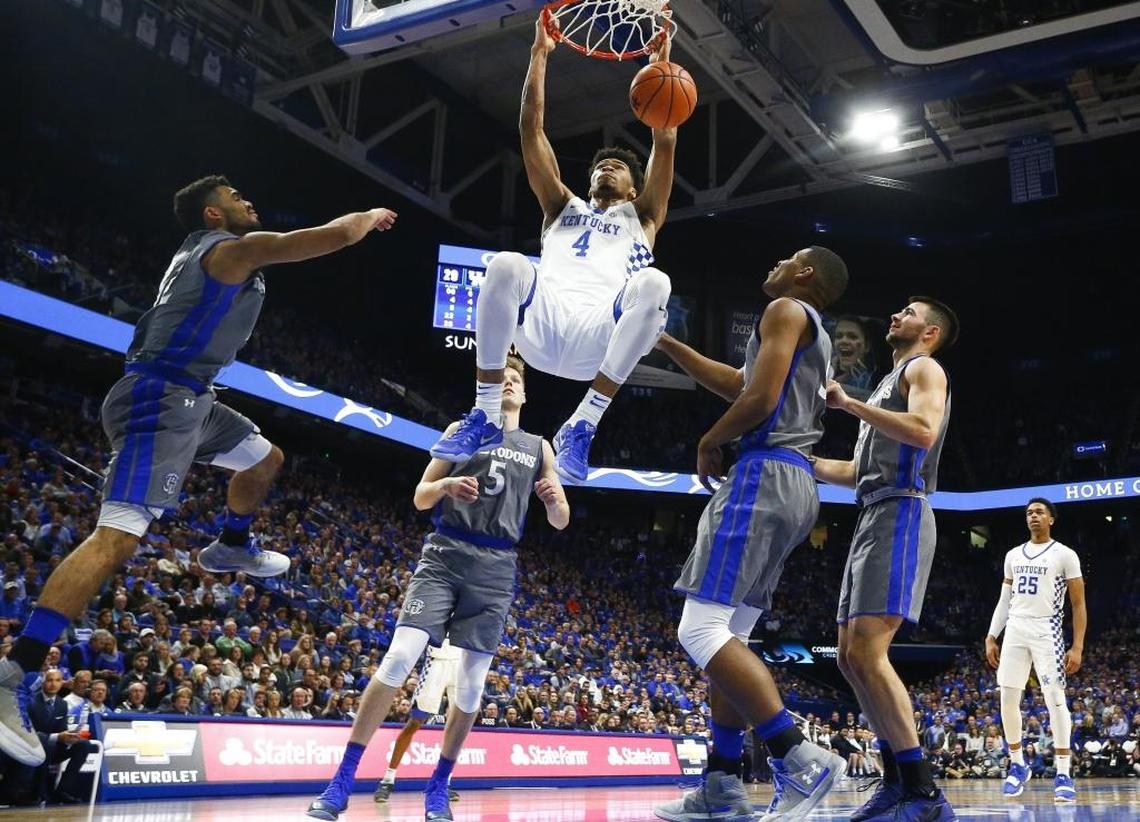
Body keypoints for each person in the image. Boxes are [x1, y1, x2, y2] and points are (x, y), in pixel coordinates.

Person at [0, 176, 398, 766]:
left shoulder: (201, 254)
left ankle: (232, 545)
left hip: (194, 398)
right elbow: (329, 238)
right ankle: (15, 674)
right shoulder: (227, 249)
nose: (249, 199)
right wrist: (366, 215)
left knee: (264, 459)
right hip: (160, 400)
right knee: (118, 536)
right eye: (238, 195)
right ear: (215, 213)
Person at [307, 357, 568, 821]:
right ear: (484, 388)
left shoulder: (539, 447)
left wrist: (554, 500)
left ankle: (438, 786)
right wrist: (445, 483)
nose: (508, 381)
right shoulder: (460, 429)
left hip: (496, 566)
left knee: (470, 684)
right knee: (400, 655)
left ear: (524, 394)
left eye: (517, 379)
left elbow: (561, 518)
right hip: (445, 555)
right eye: (500, 377)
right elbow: (420, 495)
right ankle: (342, 780)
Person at [429, 16, 678, 484]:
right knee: (505, 263)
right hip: (540, 326)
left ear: (632, 190)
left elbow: (664, 137)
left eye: (617, 168)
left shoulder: (642, 217)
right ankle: (483, 414)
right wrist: (539, 55)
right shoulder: (561, 205)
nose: (606, 168)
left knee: (656, 284)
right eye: (600, 165)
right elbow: (530, 129)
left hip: (598, 339)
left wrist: (660, 64)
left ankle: (583, 423)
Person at [651, 247, 850, 821]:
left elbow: (757, 401)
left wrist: (709, 441)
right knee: (728, 640)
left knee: (699, 630)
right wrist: (665, 343)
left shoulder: (785, 308)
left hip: (762, 474)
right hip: (795, 485)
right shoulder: (810, 330)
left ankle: (796, 754)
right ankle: (722, 782)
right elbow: (741, 382)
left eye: (787, 259)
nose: (774, 264)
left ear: (804, 273)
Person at [812, 297, 958, 822]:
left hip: (902, 510)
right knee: (849, 656)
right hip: (872, 509)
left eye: (909, 312)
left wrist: (848, 404)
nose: (895, 314)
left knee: (870, 652)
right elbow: (856, 470)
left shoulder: (924, 368)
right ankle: (897, 780)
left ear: (931, 332)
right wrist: (803, 463)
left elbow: (922, 431)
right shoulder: (886, 382)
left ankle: (924, 793)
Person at [985, 497, 1085, 802]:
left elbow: (1078, 604)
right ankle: (1017, 766)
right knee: (1007, 697)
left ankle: (1064, 772)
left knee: (1055, 698)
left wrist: (1077, 645)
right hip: (1015, 628)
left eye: (1039, 512)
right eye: (1029, 513)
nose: (1033, 516)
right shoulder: (1013, 555)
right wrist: (992, 635)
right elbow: (1005, 599)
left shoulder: (1065, 555)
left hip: (1047, 630)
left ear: (1051, 519)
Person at [373, 637, 462, 803]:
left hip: (461, 662)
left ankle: (444, 782)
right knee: (415, 722)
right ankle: (388, 779)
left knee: (457, 728)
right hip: (437, 661)